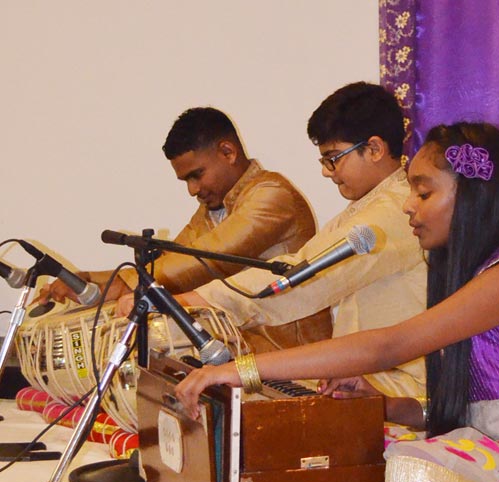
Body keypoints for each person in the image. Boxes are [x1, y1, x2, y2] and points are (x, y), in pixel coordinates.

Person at [172, 122, 499, 482]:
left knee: (408, 465)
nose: (408, 205)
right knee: (339, 441)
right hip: (484, 451)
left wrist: (241, 370)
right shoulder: (471, 273)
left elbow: (389, 346)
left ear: (475, 197)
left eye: (424, 193)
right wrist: (384, 406)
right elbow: (466, 414)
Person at [119, 82, 429, 399]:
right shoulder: (366, 208)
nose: (327, 172)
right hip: (364, 384)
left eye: (333, 158)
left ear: (374, 149)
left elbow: (306, 278)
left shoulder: (393, 211)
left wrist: (187, 302)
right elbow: (183, 258)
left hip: (402, 394)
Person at [38, 107, 331, 350]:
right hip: (240, 352)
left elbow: (208, 259)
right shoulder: (214, 210)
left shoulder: (272, 195)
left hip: (291, 359)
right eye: (186, 181)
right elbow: (169, 261)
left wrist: (121, 286)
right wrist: (91, 279)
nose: (193, 190)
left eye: (197, 175)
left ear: (227, 152)